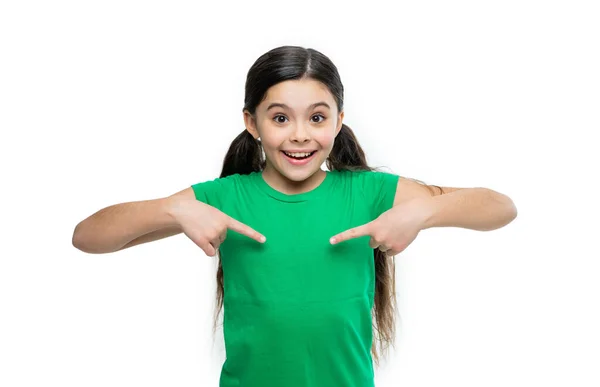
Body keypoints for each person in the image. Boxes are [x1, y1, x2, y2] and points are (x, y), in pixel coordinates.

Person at [72, 45, 514, 387]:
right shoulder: (223, 198)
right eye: (280, 118)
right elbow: (87, 236)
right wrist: (172, 208)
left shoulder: (369, 191)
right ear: (252, 122)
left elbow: (500, 208)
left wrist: (422, 212)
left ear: (339, 120)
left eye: (317, 118)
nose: (299, 135)